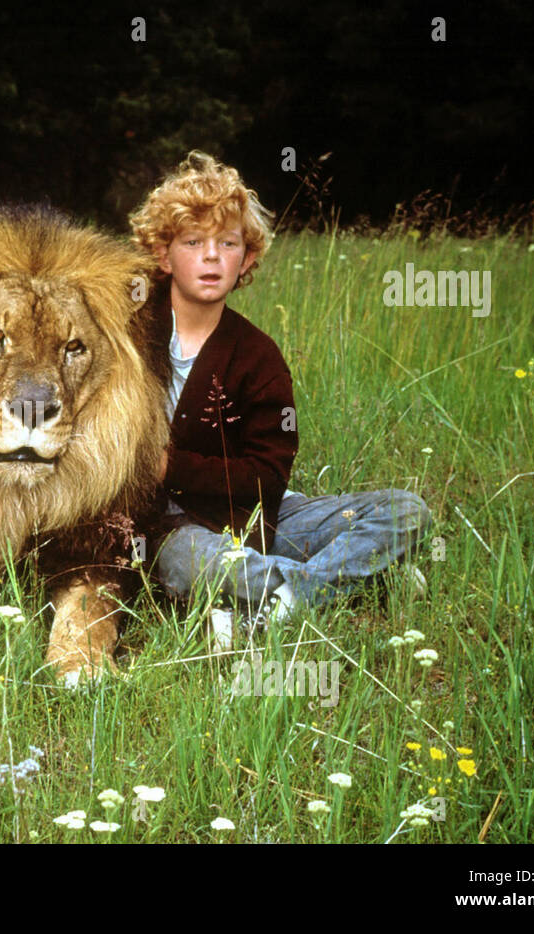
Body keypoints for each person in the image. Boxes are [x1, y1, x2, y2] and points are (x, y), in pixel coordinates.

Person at [128, 152, 432, 646]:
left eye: (227, 243)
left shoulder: (258, 356)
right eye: (193, 242)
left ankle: (277, 601)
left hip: (259, 518)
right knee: (187, 559)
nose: (211, 256)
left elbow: (268, 477)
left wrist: (170, 467)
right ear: (164, 255)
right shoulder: (129, 330)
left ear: (246, 259)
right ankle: (361, 580)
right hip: (167, 526)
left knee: (405, 510)